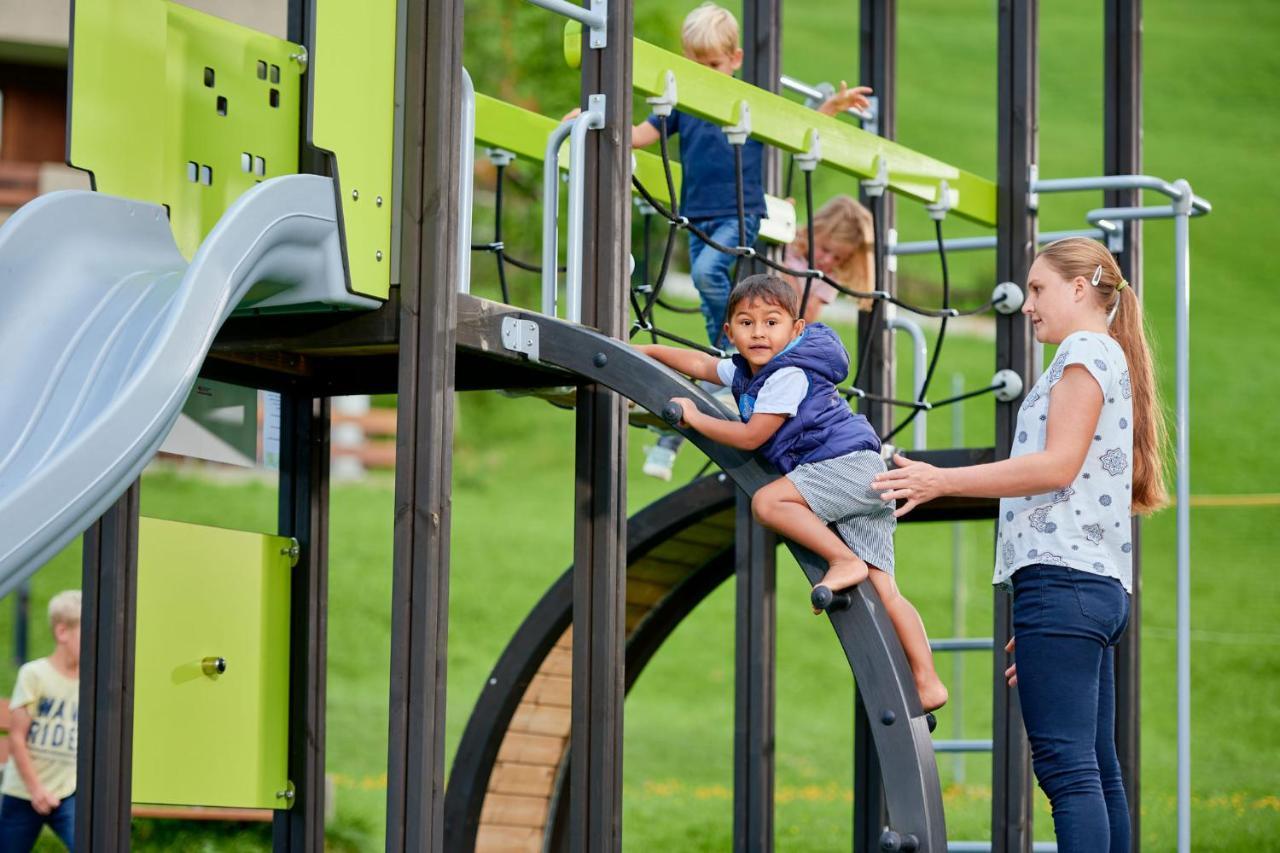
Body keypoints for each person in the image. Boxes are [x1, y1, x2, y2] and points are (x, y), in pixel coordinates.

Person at [871, 237, 1161, 852]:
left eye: (1038, 289)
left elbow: (1055, 467)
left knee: (1069, 771)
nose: (1027, 305)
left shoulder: (1084, 350)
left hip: (1065, 584)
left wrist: (939, 479)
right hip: (1085, 587)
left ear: (1080, 287)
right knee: (1097, 770)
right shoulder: (1103, 354)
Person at [638, 274, 947, 712]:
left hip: (844, 467)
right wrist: (649, 352)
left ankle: (843, 559)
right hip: (863, 474)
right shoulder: (747, 370)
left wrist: (694, 417)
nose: (759, 333)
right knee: (886, 590)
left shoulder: (788, 375)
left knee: (769, 502)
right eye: (746, 324)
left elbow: (750, 437)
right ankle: (928, 680)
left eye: (771, 322)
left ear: (795, 330)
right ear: (730, 333)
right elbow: (704, 366)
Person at [590, 1, 872, 481]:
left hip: (740, 214)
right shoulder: (679, 103)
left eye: (713, 65)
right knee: (707, 288)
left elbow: (795, 131)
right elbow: (641, 132)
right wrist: (596, 118)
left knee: (707, 275)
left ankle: (731, 354)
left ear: (735, 59)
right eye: (694, 63)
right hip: (696, 216)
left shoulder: (749, 105)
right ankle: (725, 356)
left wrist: (830, 110)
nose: (703, 73)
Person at [0, 591, 81, 852]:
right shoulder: (34, 675)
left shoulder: (92, 681)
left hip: (67, 794)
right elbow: (16, 738)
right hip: (24, 792)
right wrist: (36, 790)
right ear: (62, 632)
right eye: (87, 632)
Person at [781, 195, 875, 323]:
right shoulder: (789, 241)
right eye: (825, 249)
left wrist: (786, 273)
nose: (827, 260)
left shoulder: (829, 278)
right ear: (815, 230)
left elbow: (806, 318)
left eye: (837, 258)